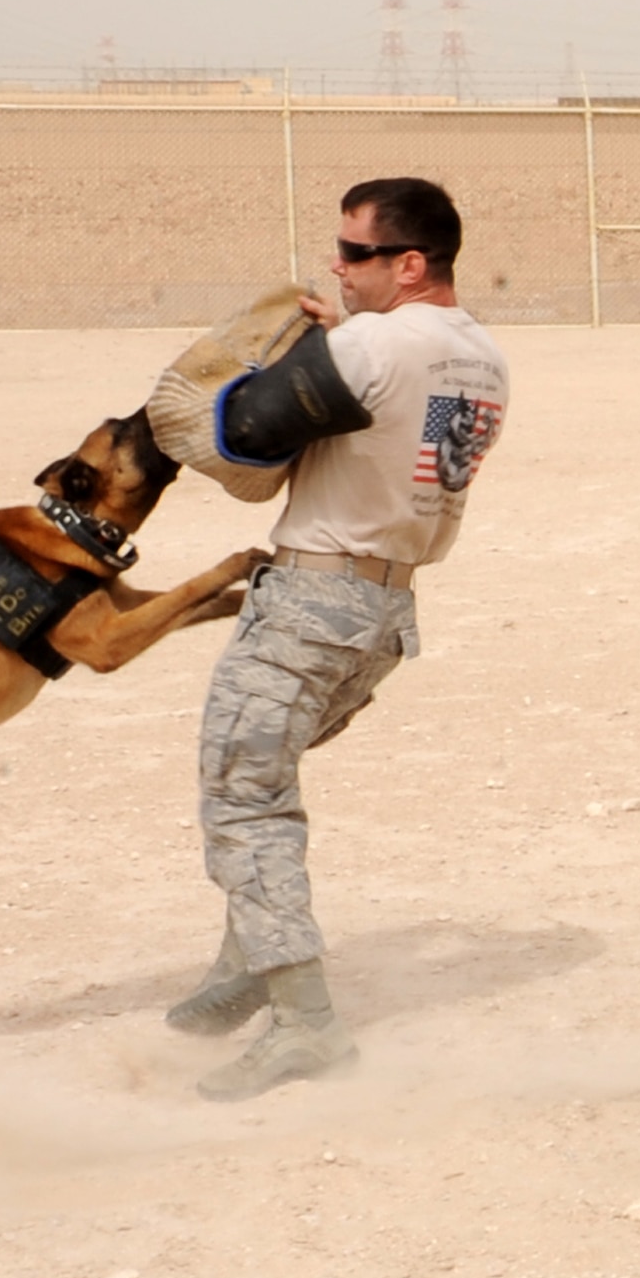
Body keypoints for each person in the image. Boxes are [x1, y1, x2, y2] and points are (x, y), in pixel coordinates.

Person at [149, 177, 510, 1102]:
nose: (339, 271)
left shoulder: (374, 342)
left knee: (246, 800)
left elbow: (233, 438)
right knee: (263, 780)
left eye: (355, 255)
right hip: (385, 612)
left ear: (410, 263)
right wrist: (333, 343)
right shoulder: (484, 357)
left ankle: (306, 1023)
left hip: (312, 605)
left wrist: (299, 354)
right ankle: (246, 964)